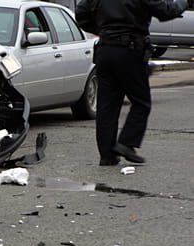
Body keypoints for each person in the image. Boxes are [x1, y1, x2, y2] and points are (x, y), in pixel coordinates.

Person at [76, 0, 191, 165]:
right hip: (130, 50)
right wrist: (183, 3)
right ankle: (126, 143)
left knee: (107, 106)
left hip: (106, 49)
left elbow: (81, 15)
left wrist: (104, 30)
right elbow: (165, 10)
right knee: (141, 102)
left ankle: (107, 155)